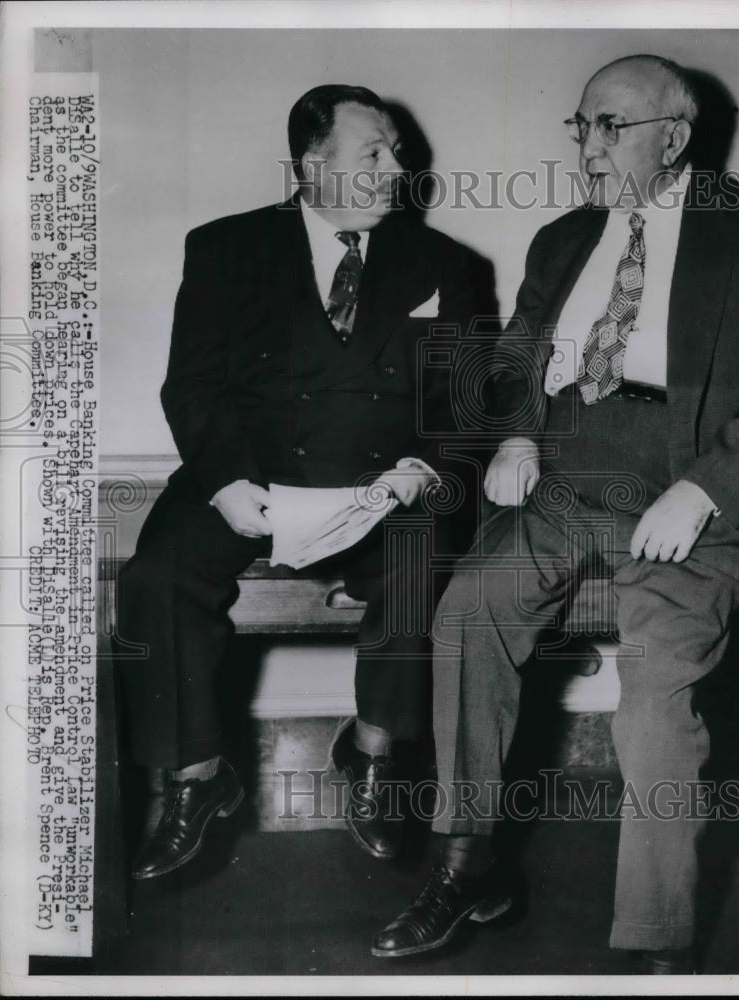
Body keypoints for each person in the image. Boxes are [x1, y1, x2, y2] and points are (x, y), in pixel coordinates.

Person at [371, 55, 739, 973]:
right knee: (469, 607)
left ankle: (657, 945)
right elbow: (519, 360)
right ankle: (467, 861)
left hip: (697, 497)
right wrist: (517, 436)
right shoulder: (563, 238)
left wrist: (707, 487)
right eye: (582, 126)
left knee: (652, 699)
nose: (589, 146)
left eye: (612, 127)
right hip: (569, 476)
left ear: (673, 138)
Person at [116, 84, 490, 879]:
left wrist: (421, 474)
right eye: (375, 153)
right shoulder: (225, 248)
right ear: (310, 166)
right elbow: (192, 387)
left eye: (396, 150)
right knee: (157, 576)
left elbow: (466, 410)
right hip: (247, 480)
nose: (398, 168)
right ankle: (196, 780)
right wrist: (222, 483)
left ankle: (376, 758)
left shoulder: (448, 265)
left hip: (382, 490)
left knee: (424, 560)